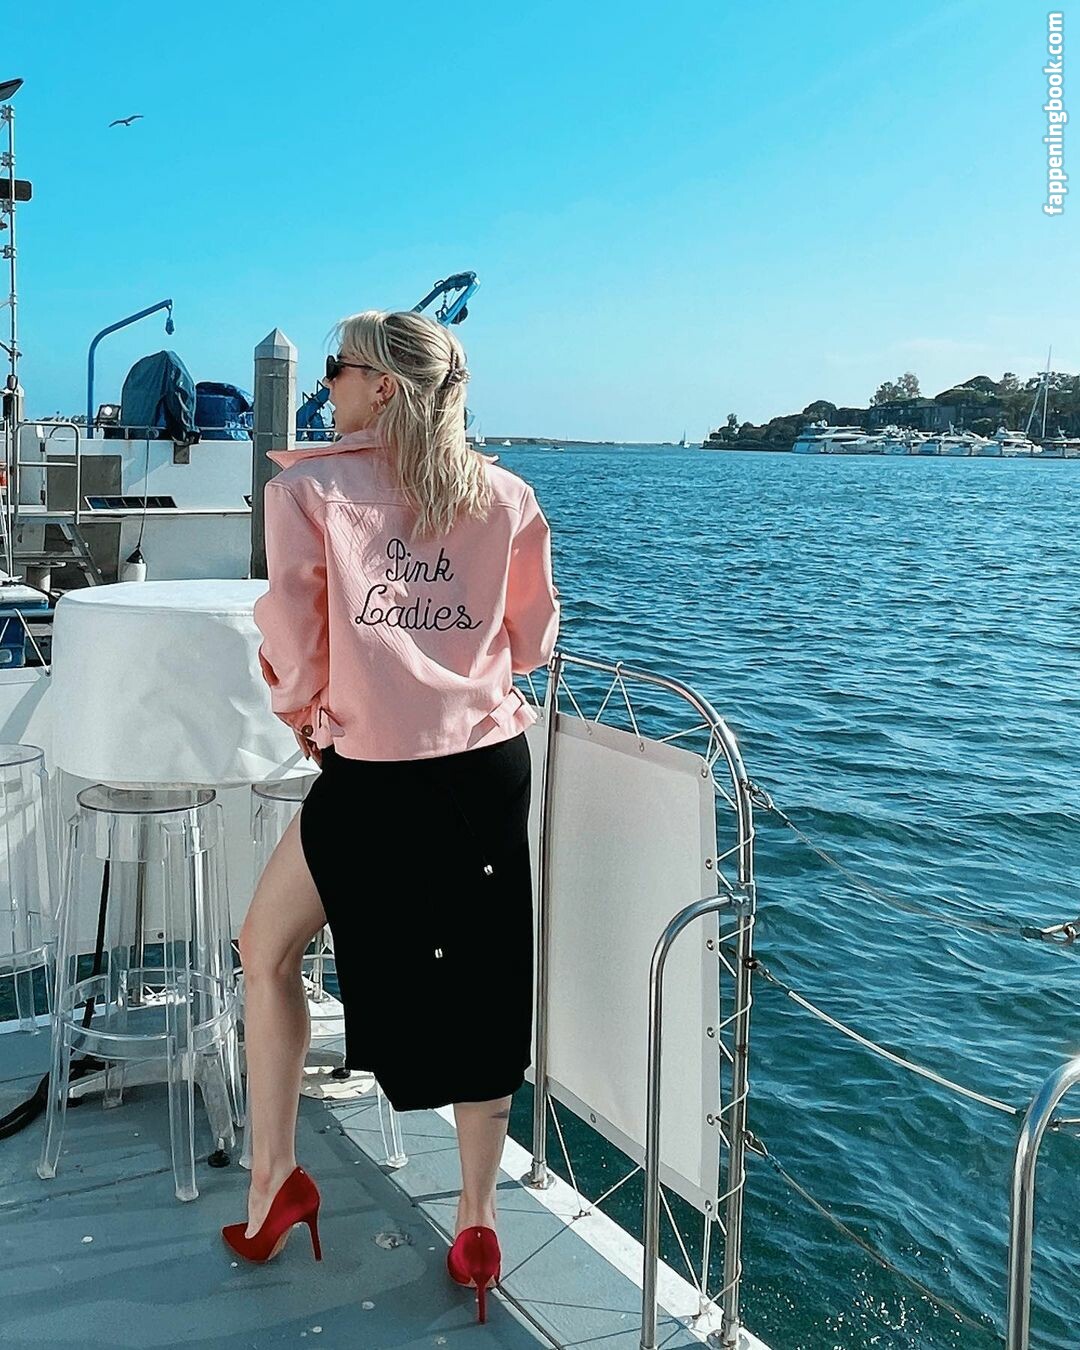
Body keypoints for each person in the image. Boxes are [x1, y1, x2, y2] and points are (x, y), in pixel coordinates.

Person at [221, 309, 560, 1325]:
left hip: (373, 779)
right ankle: (477, 1221)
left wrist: (306, 715)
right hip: (487, 769)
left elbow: (293, 637)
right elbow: (533, 640)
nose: (326, 382)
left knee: (265, 949)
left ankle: (274, 1183)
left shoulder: (307, 491)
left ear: (383, 387)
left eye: (339, 368)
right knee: (484, 987)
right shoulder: (506, 495)